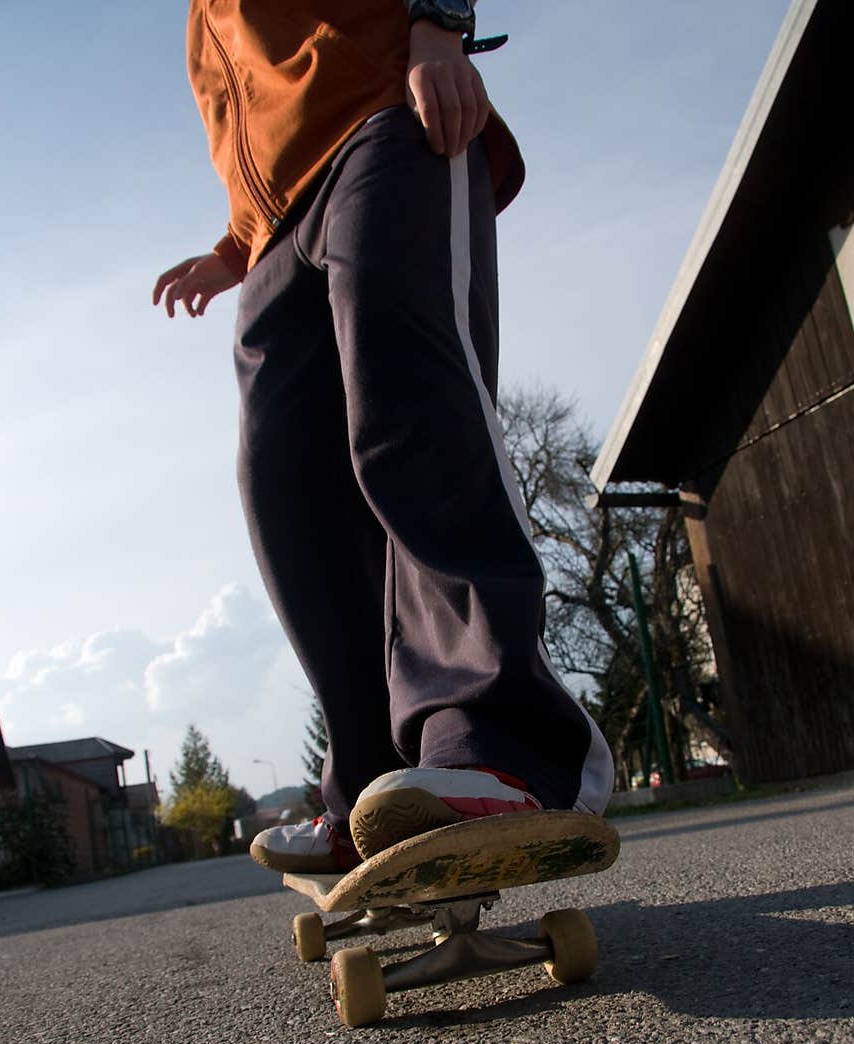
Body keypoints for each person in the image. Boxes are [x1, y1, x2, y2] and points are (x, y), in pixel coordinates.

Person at [153, 0, 614, 874]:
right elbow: (258, 111)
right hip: (277, 228)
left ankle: (496, 744)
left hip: (382, 126)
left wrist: (438, 27)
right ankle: (374, 784)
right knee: (285, 481)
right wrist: (235, 243)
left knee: (408, 410)